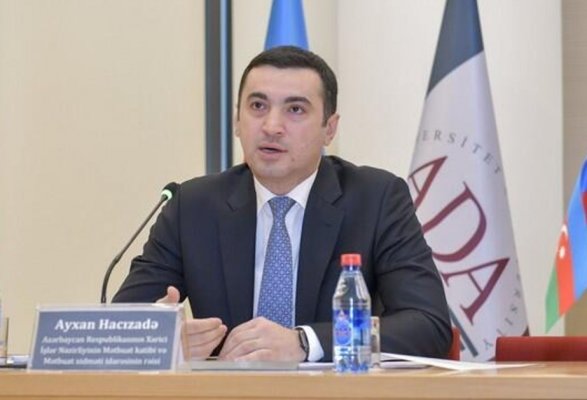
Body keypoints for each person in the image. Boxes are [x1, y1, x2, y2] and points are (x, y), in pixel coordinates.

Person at [113, 45, 452, 362]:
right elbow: (117, 332)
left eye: (295, 109)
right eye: (257, 107)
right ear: (237, 120)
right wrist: (162, 339)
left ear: (329, 128)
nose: (272, 126)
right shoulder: (192, 207)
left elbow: (427, 326)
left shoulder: (376, 199)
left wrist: (305, 343)